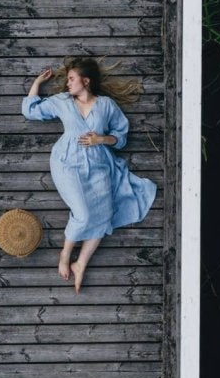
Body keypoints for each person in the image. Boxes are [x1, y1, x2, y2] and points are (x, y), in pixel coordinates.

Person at [22, 56, 157, 292]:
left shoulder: (105, 105)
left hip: (99, 165)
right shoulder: (63, 101)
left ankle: (81, 263)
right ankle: (65, 254)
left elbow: (121, 136)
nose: (68, 84)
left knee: (104, 214)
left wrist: (101, 139)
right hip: (67, 163)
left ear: (86, 80)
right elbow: (31, 110)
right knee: (83, 214)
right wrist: (37, 83)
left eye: (72, 79)